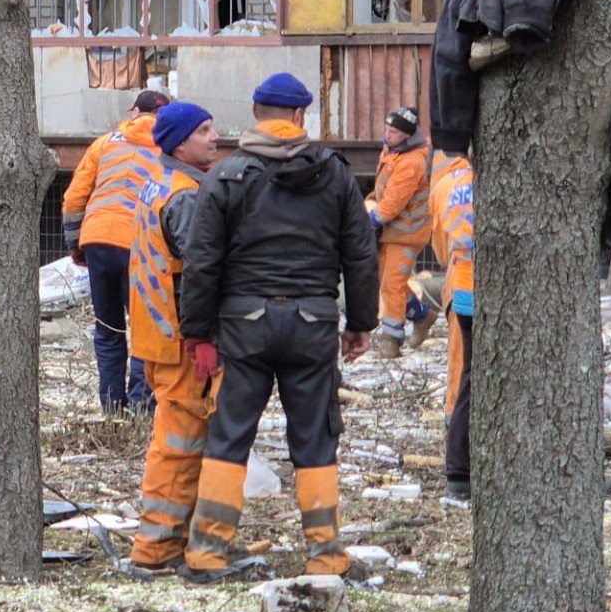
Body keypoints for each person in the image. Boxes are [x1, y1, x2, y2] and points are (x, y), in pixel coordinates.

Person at [178, 73, 378, 582]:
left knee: (229, 436)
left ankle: (206, 553)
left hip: (243, 324)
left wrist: (198, 333)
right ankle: (326, 555)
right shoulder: (334, 175)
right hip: (312, 322)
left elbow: (203, 262)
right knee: (315, 439)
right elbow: (360, 254)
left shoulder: (225, 175)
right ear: (298, 117)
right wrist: (361, 323)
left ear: (255, 113)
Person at [124, 103, 221, 573]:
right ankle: (157, 549)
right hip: (179, 340)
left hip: (153, 334)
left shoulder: (156, 183)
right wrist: (202, 336)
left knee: (175, 440)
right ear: (180, 143)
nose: (214, 137)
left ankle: (170, 541)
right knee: (179, 445)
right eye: (203, 131)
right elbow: (198, 271)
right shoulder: (183, 195)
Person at [61, 90, 169, 414]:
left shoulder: (106, 142)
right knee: (143, 330)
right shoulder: (168, 147)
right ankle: (140, 408)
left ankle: (111, 408)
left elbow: (73, 197)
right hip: (139, 245)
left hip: (96, 240)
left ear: (134, 111)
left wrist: (75, 243)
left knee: (108, 329)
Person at [366, 105, 433, 358]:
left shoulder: (411, 161)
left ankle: (391, 341)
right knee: (391, 281)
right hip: (394, 231)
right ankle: (422, 316)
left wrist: (370, 219)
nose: (388, 134)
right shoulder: (393, 150)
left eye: (393, 131)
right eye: (387, 128)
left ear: (407, 135)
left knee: (392, 284)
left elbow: (391, 205)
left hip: (406, 233)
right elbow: (384, 189)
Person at [432, 152, 476, 502]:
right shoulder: (489, 182)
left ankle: (460, 470)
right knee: (474, 377)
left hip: (460, 280)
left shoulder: (453, 183)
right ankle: (460, 468)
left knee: (467, 375)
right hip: (483, 285)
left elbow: (440, 238)